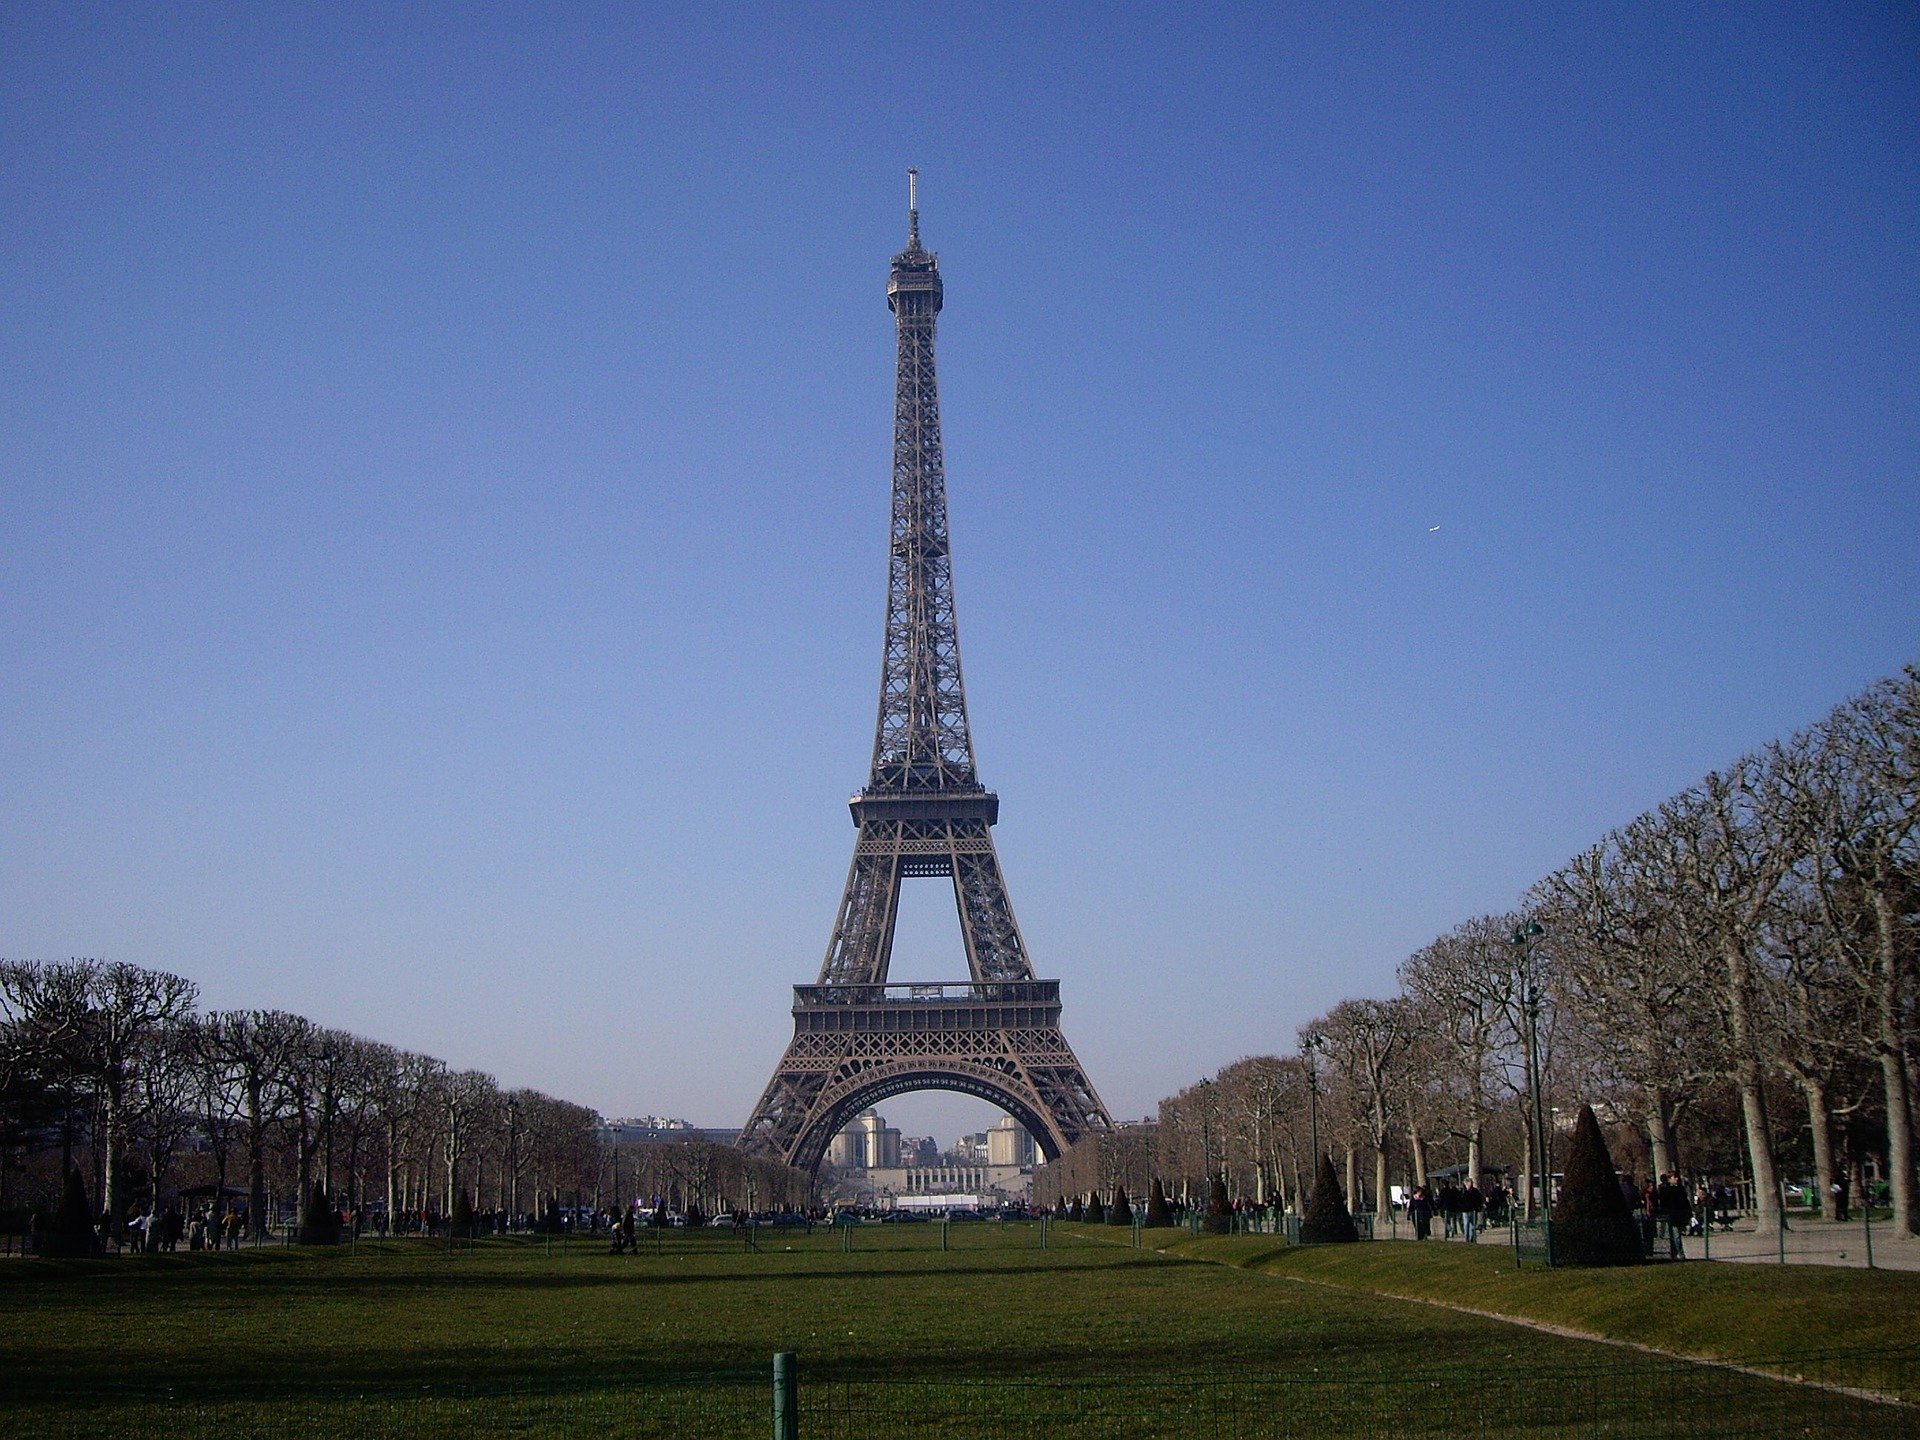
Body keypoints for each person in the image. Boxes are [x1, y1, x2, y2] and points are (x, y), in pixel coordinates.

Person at [1655, 1173, 1691, 1259]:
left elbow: (1685, 1201)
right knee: (1675, 1235)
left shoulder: (1680, 1188)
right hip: (1671, 1214)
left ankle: (1676, 1253)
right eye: (1674, 1177)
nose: (1677, 1179)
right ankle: (1679, 1253)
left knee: (1676, 1234)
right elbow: (1664, 1202)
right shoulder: (1665, 1189)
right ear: (1669, 1179)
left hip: (1679, 1213)